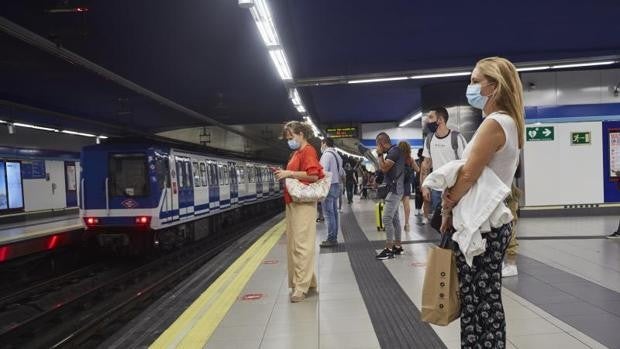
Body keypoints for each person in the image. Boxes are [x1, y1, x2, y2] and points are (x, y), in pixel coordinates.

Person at [439, 56, 524, 348]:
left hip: (481, 225)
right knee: (485, 298)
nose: (470, 86)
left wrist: (448, 201)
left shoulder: (494, 124)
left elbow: (469, 174)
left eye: (476, 81)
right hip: (492, 223)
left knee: (477, 301)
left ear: (493, 87)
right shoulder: (511, 123)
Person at [275, 121, 324, 303]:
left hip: (302, 203)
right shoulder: (296, 152)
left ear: (301, 133)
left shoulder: (308, 151)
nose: (290, 141)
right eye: (288, 138)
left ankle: (301, 287)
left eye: (291, 137)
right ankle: (308, 281)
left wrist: (289, 174)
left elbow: (313, 176)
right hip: (293, 202)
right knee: (296, 245)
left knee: (302, 245)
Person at [420, 107, 467, 220]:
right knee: (440, 224)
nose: (427, 120)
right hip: (437, 190)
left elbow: (466, 163)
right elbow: (426, 164)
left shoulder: (457, 138)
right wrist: (424, 186)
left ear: (440, 120)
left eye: (430, 117)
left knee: (457, 222)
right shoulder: (429, 139)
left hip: (454, 189)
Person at [375, 132, 405, 259]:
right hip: (397, 189)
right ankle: (398, 246)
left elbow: (384, 168)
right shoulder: (395, 151)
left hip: (394, 190)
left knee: (386, 218)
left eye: (377, 145)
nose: (377, 147)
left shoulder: (394, 152)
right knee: (394, 219)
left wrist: (379, 155)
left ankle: (389, 249)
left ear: (381, 143)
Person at [319, 137, 344, 247]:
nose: (321, 146)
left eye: (321, 144)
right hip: (336, 185)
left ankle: (331, 239)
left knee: (328, 214)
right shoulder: (337, 155)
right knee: (334, 213)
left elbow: (323, 172)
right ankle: (334, 237)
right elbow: (341, 172)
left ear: (324, 143)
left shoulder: (326, 155)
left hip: (328, 186)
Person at [398, 141, 420, 232]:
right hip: (406, 183)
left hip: (397, 183)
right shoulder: (410, 159)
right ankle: (407, 224)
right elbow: (418, 169)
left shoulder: (396, 159)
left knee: (395, 204)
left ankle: (395, 223)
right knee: (406, 203)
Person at [414, 148, 424, 216]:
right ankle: (417, 209)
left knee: (422, 195)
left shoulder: (426, 161)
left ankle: (419, 209)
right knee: (418, 195)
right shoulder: (416, 161)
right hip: (417, 180)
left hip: (423, 180)